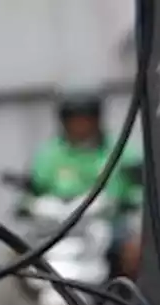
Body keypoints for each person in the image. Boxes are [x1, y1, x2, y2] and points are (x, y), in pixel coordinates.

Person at [26, 91, 143, 282]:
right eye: (74, 119)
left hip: (109, 227)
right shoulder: (49, 154)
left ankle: (126, 303)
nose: (80, 125)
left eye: (85, 119)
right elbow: (33, 191)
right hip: (61, 230)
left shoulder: (119, 149)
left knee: (134, 255)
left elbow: (139, 188)